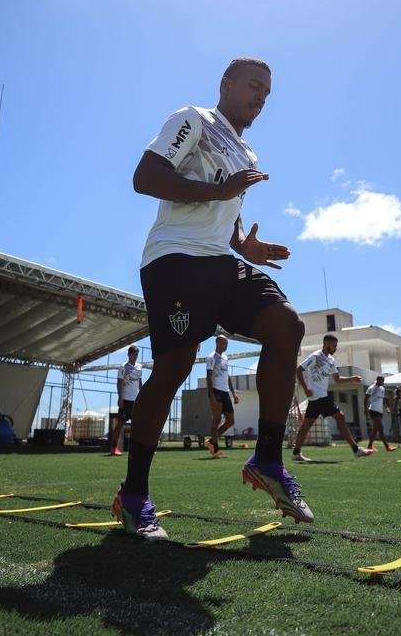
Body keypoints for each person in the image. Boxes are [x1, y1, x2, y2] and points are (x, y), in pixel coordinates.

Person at [114, 57, 311, 539]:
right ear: (225, 85)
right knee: (175, 366)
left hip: (222, 263)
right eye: (253, 86)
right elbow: (146, 176)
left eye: (267, 91)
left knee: (287, 325)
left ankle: (267, 458)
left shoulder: (248, 154)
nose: (261, 97)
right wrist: (218, 190)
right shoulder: (194, 120)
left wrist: (247, 246)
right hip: (174, 257)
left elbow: (227, 217)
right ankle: (134, 493)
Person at [291, 334, 376, 462]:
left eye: (336, 346)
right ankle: (356, 449)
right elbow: (298, 370)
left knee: (306, 426)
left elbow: (337, 380)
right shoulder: (315, 356)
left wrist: (352, 378)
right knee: (340, 416)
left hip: (317, 398)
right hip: (319, 396)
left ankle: (296, 453)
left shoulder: (331, 360)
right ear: (326, 344)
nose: (335, 348)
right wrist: (305, 388)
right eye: (334, 346)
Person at [205, 335, 239, 457]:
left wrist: (233, 393)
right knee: (217, 419)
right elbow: (208, 377)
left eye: (227, 344)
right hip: (216, 391)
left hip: (225, 392)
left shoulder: (225, 357)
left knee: (230, 421)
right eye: (224, 343)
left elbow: (227, 376)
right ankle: (215, 450)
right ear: (218, 343)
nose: (226, 346)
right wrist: (212, 396)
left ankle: (211, 441)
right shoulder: (211, 357)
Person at [109, 346, 143, 457]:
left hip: (136, 401)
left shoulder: (139, 367)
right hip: (125, 400)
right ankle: (114, 448)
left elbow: (140, 383)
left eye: (137, 354)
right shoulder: (123, 367)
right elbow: (119, 383)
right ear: (129, 354)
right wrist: (120, 398)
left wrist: (142, 397)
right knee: (120, 424)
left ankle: (140, 448)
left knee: (138, 425)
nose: (135, 356)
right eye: (133, 354)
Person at [365, 373, 395, 452]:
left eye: (383, 381)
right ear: (378, 380)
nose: (383, 382)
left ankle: (369, 446)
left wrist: (387, 408)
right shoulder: (371, 388)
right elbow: (366, 398)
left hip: (380, 411)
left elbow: (383, 399)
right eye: (382, 381)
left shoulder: (382, 389)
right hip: (373, 410)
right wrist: (365, 409)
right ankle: (387, 446)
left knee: (375, 430)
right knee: (381, 429)